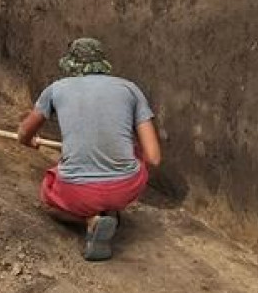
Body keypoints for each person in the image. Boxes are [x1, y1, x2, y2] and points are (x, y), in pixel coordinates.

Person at [17, 38, 162, 262]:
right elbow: (153, 158)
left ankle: (91, 220)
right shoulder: (129, 88)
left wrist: (30, 142)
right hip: (126, 187)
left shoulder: (56, 89)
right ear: (102, 64)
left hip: (76, 191)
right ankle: (109, 211)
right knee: (134, 154)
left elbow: (23, 133)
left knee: (49, 201)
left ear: (71, 65)